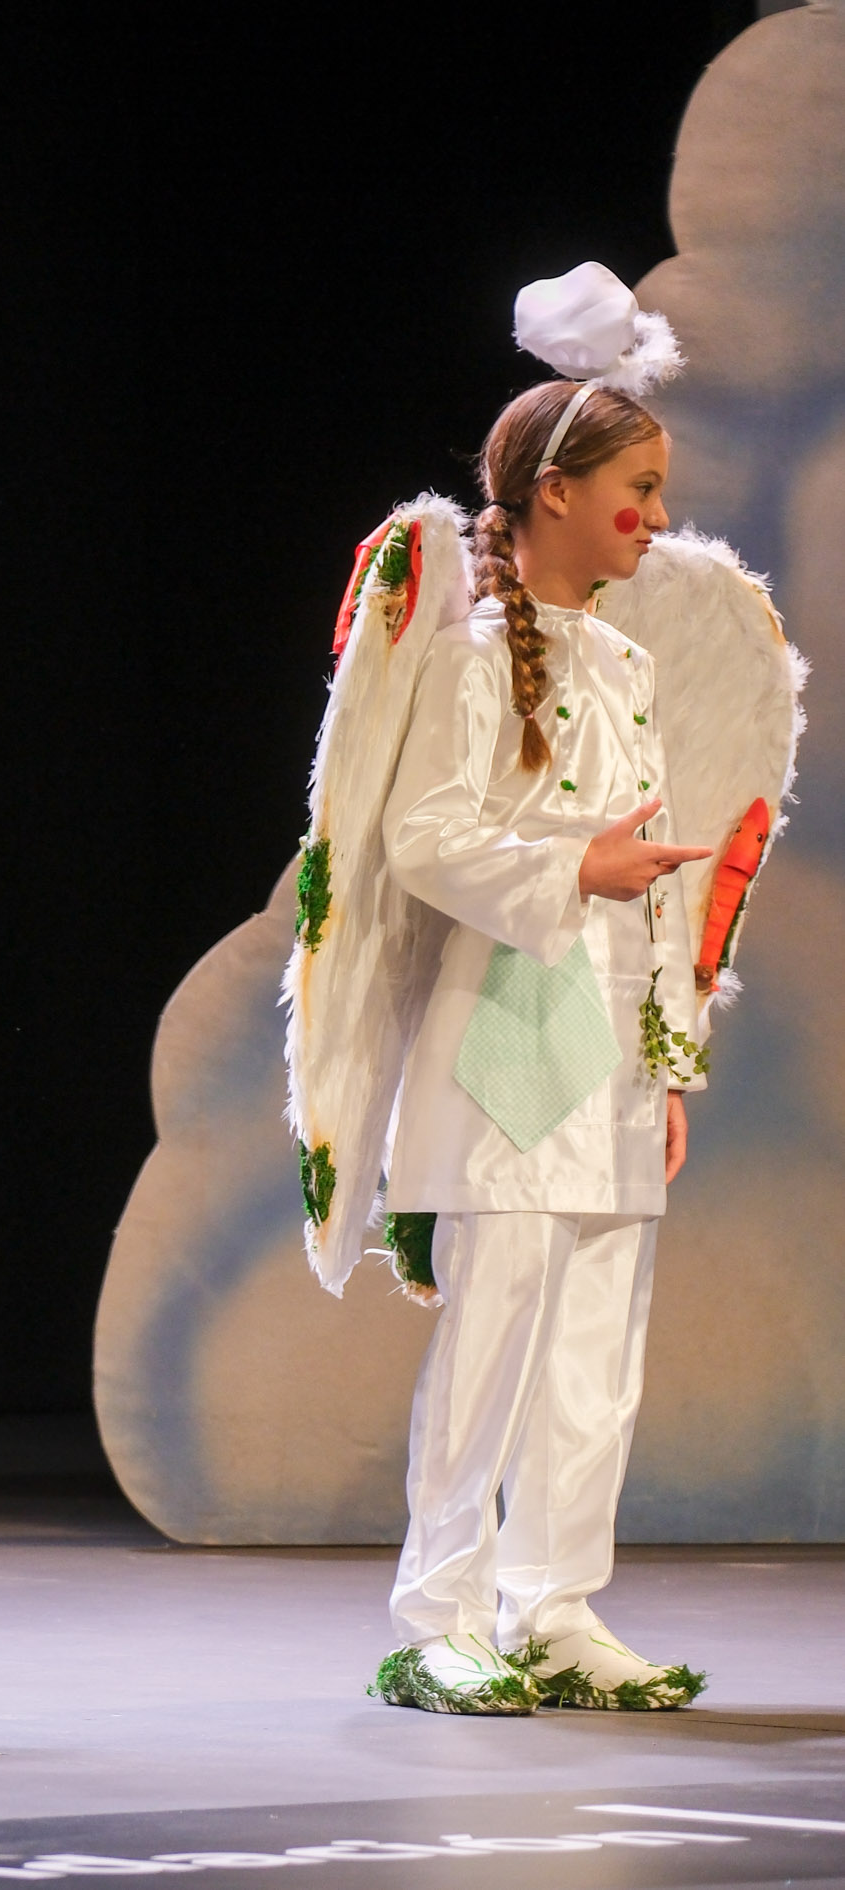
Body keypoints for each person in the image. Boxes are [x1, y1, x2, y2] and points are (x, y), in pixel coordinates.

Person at [365, 266, 737, 1713]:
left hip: (614, 1050)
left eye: (658, 488)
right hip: (513, 1035)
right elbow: (424, 838)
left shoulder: (627, 661)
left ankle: (555, 1599)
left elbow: (660, 877)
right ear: (555, 492)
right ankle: (444, 1603)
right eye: (635, 487)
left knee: (598, 1338)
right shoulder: (463, 655)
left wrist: (672, 1057)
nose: (653, 513)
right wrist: (574, 869)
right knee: (500, 1323)